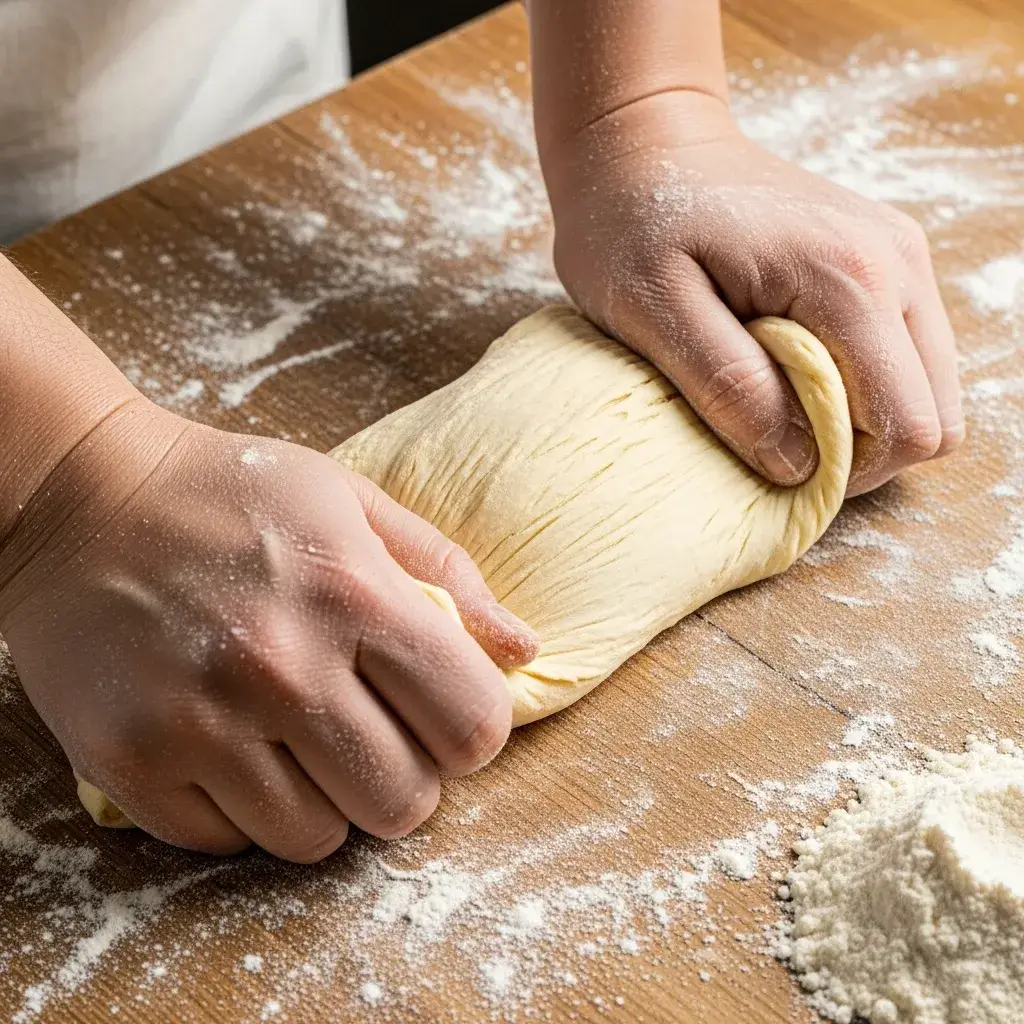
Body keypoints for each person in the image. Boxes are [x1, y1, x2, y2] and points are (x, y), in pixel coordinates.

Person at [0, 0, 962, 863]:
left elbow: (642, 100)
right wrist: (60, 484)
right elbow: (61, 478)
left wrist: (643, 107)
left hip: (207, 106)